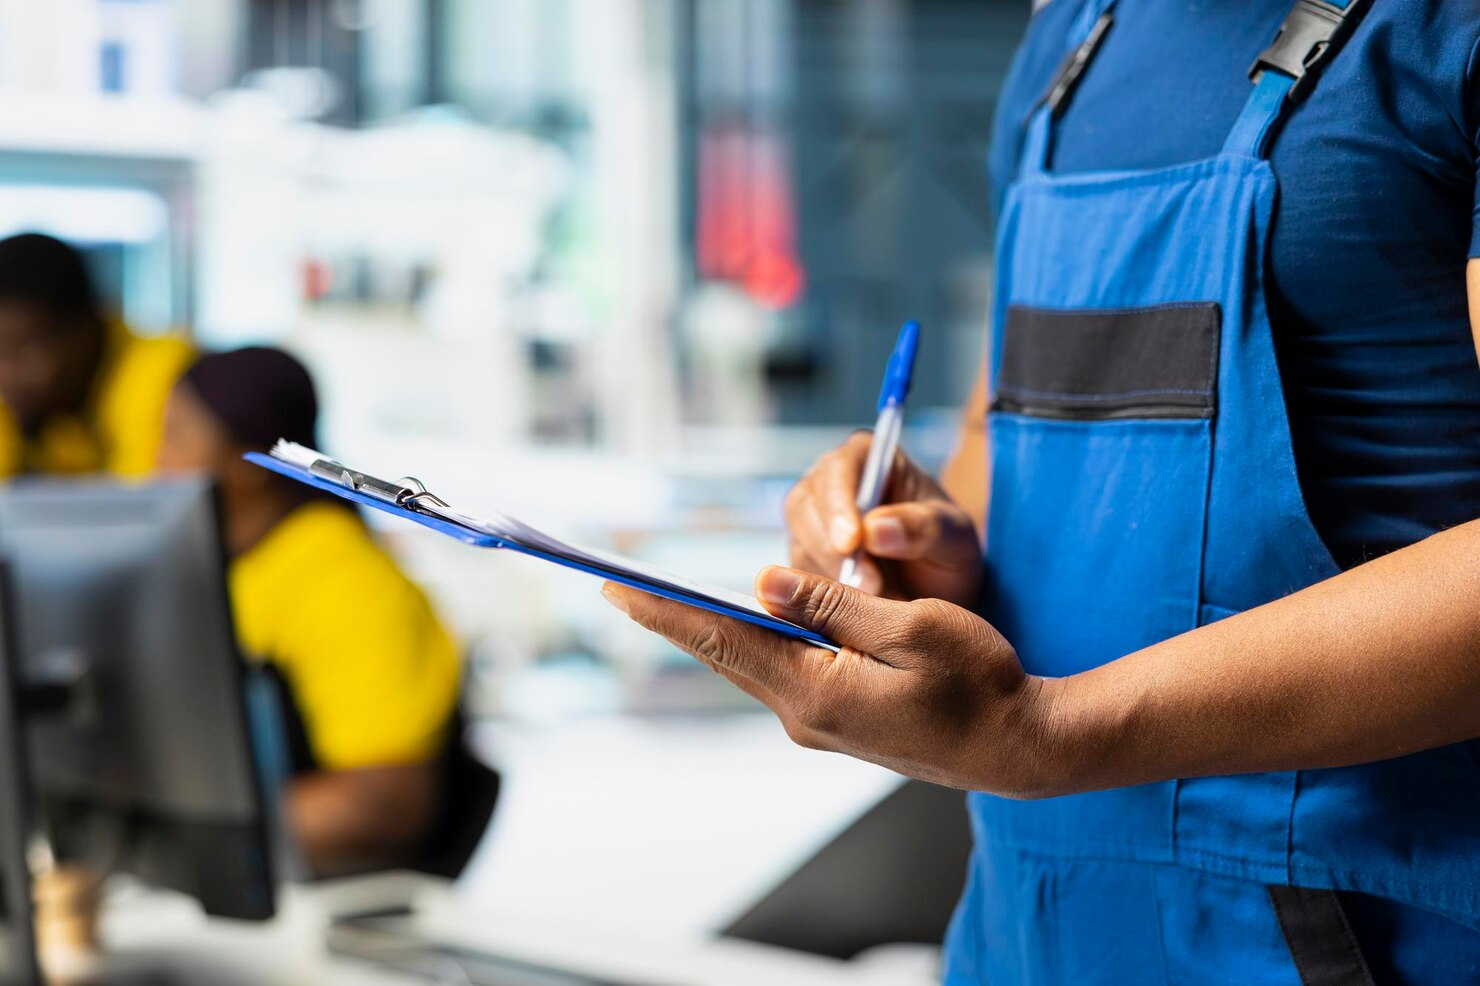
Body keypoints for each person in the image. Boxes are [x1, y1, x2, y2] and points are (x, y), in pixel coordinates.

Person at [605, 1, 1480, 982]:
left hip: (1356, 930)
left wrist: (1051, 732)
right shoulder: (1074, 37)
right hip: (1031, 924)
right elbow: (997, 434)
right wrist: (927, 551)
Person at [157, 346, 461, 877]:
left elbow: (385, 801)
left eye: (177, 436)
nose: (155, 464)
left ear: (248, 461)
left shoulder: (343, 580)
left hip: (325, 900)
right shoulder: (228, 564)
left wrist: (176, 842)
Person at [0, 232, 191, 477]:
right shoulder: (35, 400)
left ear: (85, 328)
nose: (6, 375)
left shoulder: (161, 371)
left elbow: (149, 506)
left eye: (24, 349)